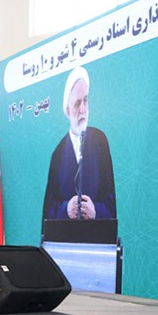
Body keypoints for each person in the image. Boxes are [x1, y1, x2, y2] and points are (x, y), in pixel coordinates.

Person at [42, 66, 118, 232]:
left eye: (85, 100)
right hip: (66, 240)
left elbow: (111, 205)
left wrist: (95, 211)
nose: (83, 109)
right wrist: (66, 210)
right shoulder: (58, 153)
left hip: (96, 240)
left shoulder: (100, 141)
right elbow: (48, 213)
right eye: (77, 103)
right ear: (67, 111)